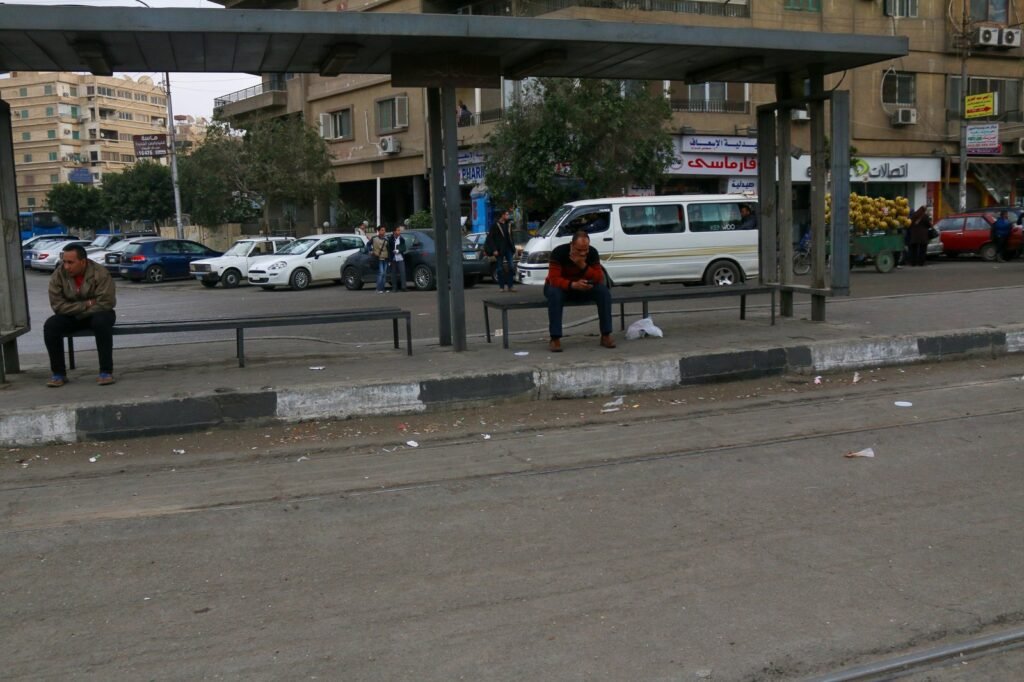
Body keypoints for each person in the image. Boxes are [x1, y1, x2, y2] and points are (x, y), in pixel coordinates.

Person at [42, 243, 117, 387]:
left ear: (83, 262)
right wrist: (86, 304)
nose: (66, 266)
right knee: (51, 325)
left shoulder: (100, 273)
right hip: (74, 315)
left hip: (99, 313)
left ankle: (106, 372)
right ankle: (58, 374)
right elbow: (58, 305)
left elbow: (106, 302)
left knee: (101, 322)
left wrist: (79, 312)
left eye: (71, 262)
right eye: (64, 261)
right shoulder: (59, 274)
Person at [544, 230, 615, 352]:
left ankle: (606, 334)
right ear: (571, 245)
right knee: (554, 293)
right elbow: (554, 279)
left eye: (585, 250)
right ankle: (555, 338)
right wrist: (572, 285)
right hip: (562, 287)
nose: (583, 253)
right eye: (579, 250)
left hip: (583, 286)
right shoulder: (559, 252)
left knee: (603, 292)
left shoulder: (592, 253)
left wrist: (582, 264)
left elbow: (598, 277)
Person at [485, 209, 517, 292]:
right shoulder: (495, 225)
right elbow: (490, 239)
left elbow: (511, 237)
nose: (508, 216)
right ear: (502, 215)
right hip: (499, 250)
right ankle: (501, 287)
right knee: (499, 268)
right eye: (506, 214)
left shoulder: (508, 224)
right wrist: (494, 249)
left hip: (508, 249)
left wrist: (513, 247)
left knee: (511, 266)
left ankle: (510, 286)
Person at [387, 225, 408, 292]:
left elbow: (404, 248)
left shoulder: (401, 239)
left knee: (402, 272)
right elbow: (389, 250)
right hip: (393, 258)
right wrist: (389, 260)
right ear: (394, 231)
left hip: (400, 257)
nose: (399, 232)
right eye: (398, 230)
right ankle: (394, 287)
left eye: (399, 230)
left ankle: (403, 287)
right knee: (393, 273)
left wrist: (398, 250)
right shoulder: (390, 239)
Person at [371, 225, 389, 293]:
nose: (383, 231)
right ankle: (378, 288)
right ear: (378, 231)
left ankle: (382, 288)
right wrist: (372, 252)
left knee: (384, 273)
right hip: (379, 258)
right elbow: (368, 245)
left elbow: (389, 248)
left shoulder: (387, 239)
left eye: (384, 230)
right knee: (381, 273)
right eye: (382, 230)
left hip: (386, 257)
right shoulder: (374, 238)